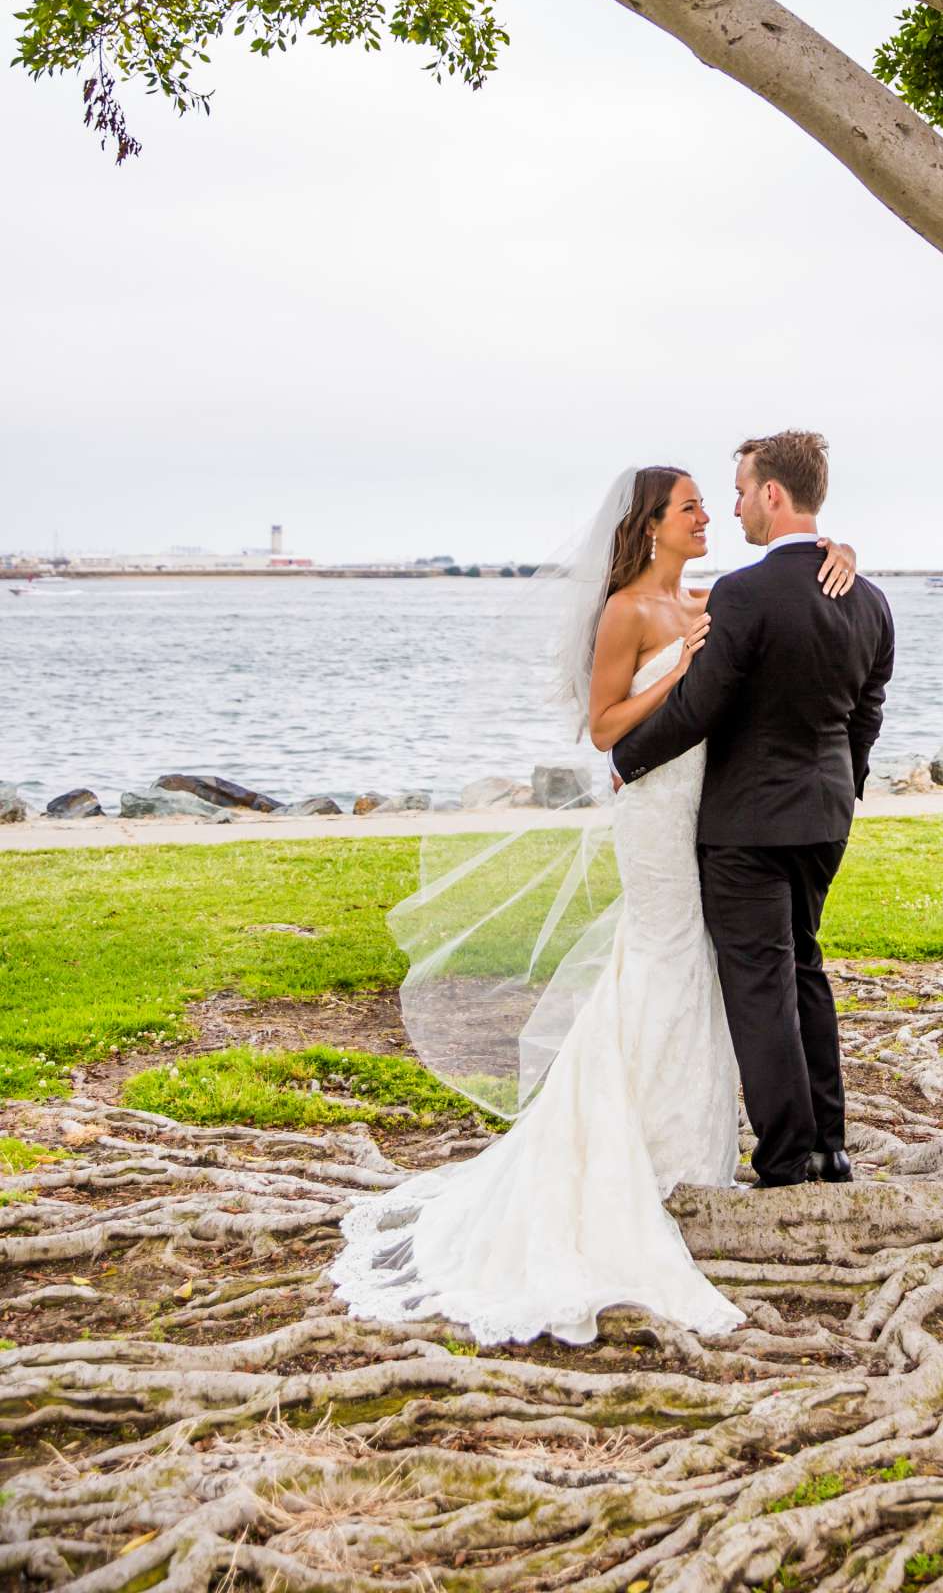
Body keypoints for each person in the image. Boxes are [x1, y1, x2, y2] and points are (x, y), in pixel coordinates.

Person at [331, 462, 859, 1345]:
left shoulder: (714, 601)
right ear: (651, 523)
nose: (709, 517)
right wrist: (676, 675)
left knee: (704, 967)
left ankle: (695, 1152)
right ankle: (631, 1152)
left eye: (712, 503)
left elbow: (774, 622)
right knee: (663, 953)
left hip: (715, 809)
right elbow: (606, 725)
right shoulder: (627, 611)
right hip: (656, 804)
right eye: (692, 507)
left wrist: (834, 548)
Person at [614, 431, 895, 1189]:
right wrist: (845, 780)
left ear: (773, 494)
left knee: (759, 984)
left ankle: (784, 1159)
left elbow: (702, 706)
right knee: (804, 967)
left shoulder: (744, 593)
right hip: (826, 815)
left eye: (739, 491)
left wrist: (626, 758)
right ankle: (829, 1145)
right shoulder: (868, 598)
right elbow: (867, 711)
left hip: (746, 824)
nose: (732, 506)